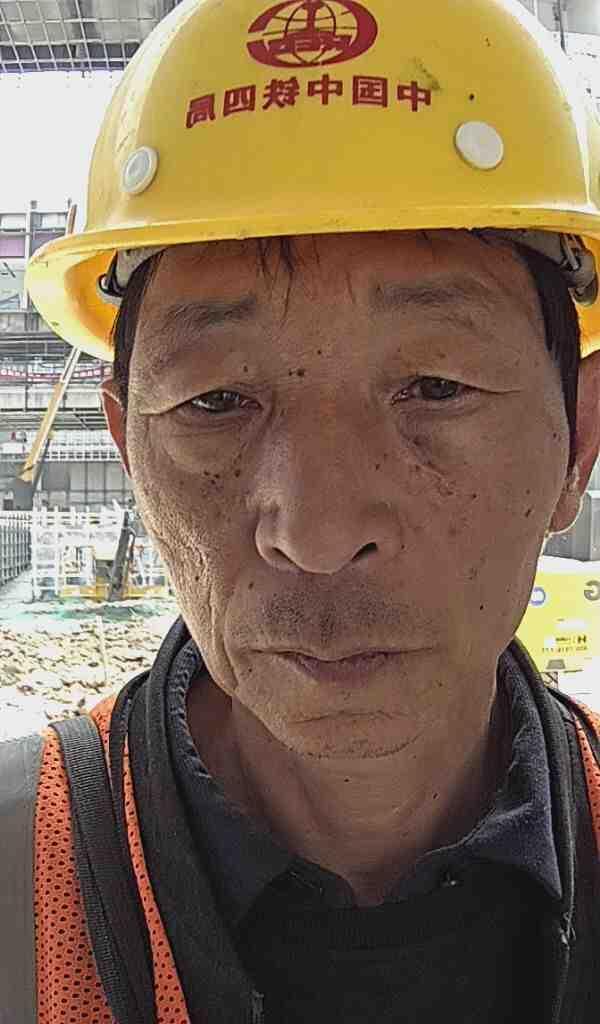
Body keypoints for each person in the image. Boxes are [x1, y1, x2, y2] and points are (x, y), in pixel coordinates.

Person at [4, 0, 600, 1021]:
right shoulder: (21, 877)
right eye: (216, 401)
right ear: (130, 450)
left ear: (578, 439)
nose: (318, 534)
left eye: (437, 387)